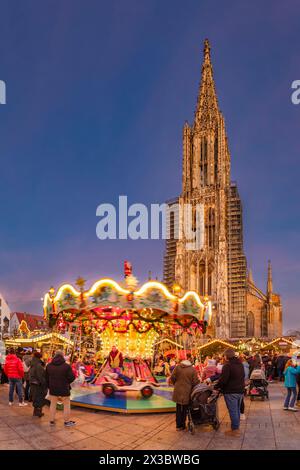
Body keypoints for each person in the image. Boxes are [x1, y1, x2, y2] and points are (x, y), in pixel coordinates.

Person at [215, 349, 245, 437]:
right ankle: (236, 428)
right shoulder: (240, 364)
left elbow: (223, 380)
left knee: (233, 411)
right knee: (237, 410)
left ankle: (235, 430)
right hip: (240, 390)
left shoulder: (227, 365)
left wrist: (216, 387)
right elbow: (243, 376)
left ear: (226, 356)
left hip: (231, 391)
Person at [45, 350, 76, 427]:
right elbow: (72, 377)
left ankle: (51, 420)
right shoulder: (66, 366)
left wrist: (49, 386)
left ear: (54, 355)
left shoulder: (49, 366)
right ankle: (66, 421)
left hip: (53, 388)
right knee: (66, 404)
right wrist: (66, 382)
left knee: (53, 404)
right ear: (62, 356)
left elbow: (46, 378)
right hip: (64, 388)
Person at [170, 353, 199, 430]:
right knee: (185, 408)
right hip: (187, 391)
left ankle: (178, 426)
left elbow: (172, 377)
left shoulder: (177, 367)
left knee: (178, 408)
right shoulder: (192, 370)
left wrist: (175, 383)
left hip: (178, 390)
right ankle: (183, 424)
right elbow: (195, 382)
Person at [29, 351, 47, 417]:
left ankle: (35, 412)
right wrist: (44, 384)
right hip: (37, 384)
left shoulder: (33, 363)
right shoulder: (38, 365)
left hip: (33, 383)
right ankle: (38, 412)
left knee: (35, 397)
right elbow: (40, 377)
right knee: (39, 397)